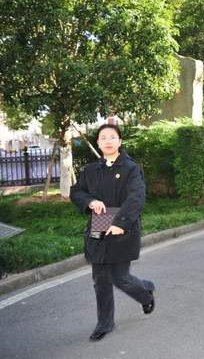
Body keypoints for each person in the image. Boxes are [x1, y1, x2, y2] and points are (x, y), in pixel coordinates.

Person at [70, 124, 155, 342]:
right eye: (103, 137)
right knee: (100, 279)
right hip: (99, 223)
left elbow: (136, 197)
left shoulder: (130, 168)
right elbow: (76, 191)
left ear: (120, 141)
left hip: (122, 225)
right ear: (98, 143)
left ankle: (145, 293)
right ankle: (105, 323)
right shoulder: (90, 170)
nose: (108, 141)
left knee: (120, 277)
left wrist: (120, 223)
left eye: (112, 137)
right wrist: (90, 201)